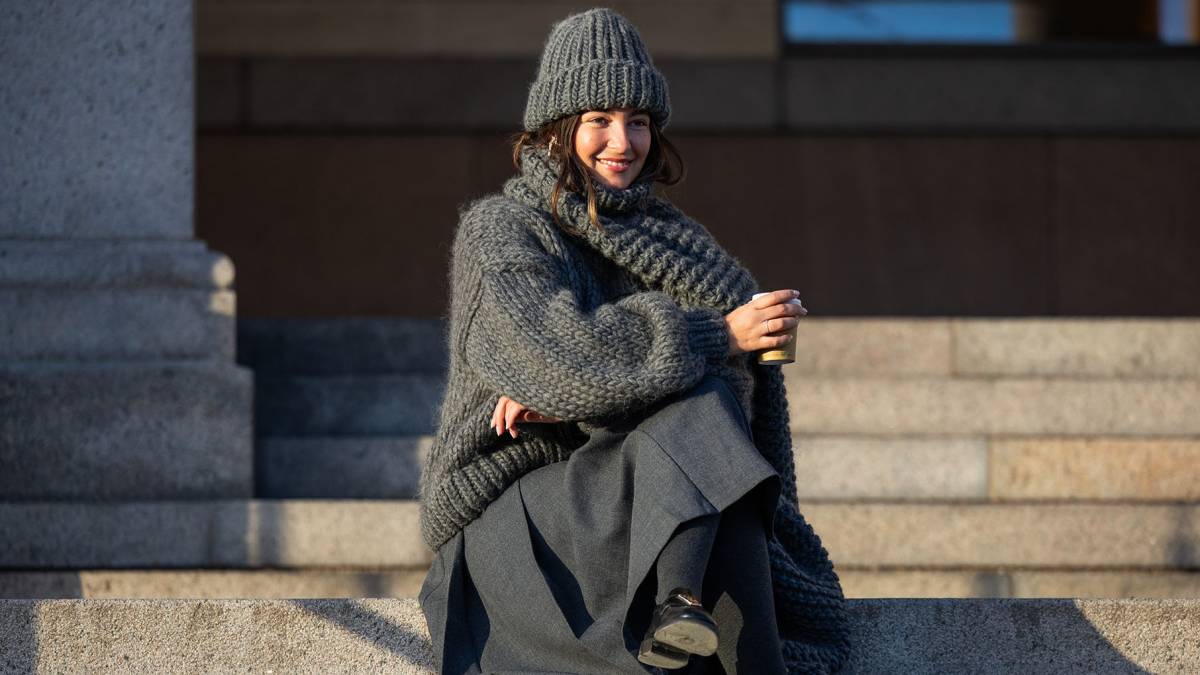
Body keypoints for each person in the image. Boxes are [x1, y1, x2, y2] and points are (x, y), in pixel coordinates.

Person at [418, 7, 852, 673]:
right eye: (598, 119)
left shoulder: (679, 245)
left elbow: (727, 402)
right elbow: (557, 356)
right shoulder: (502, 230)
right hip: (528, 511)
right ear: (558, 129)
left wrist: (590, 397)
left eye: (638, 121)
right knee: (700, 383)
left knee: (713, 427)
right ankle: (686, 603)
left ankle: (682, 602)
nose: (621, 140)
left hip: (655, 506)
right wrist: (711, 338)